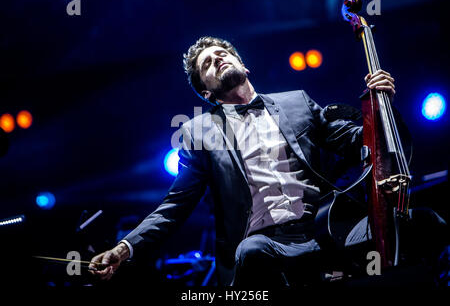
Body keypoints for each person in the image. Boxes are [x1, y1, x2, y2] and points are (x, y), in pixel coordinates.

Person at [89, 36, 397, 285]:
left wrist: (378, 105)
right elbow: (175, 205)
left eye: (222, 53)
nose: (217, 59)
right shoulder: (198, 132)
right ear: (206, 92)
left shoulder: (297, 101)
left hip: (324, 228)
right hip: (264, 243)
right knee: (252, 252)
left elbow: (359, 143)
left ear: (243, 66)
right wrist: (124, 248)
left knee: (420, 224)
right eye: (206, 64)